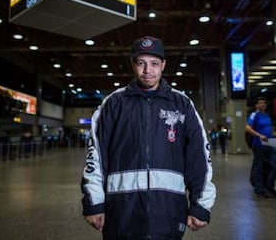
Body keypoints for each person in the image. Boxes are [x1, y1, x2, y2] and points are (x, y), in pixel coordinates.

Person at [81, 36, 217, 239]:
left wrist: (201, 204)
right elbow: (95, 156)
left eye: (154, 64)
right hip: (121, 213)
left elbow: (199, 155)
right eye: (141, 63)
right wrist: (94, 202)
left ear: (163, 65)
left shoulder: (182, 104)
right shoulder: (113, 104)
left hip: (168, 211)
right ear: (133, 65)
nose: (148, 71)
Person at [246, 96, 276, 198]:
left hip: (270, 143)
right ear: (256, 105)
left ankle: (269, 185)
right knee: (259, 167)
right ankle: (259, 188)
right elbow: (248, 128)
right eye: (260, 103)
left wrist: (274, 133)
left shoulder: (266, 115)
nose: (262, 105)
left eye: (264, 103)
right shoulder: (254, 115)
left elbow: (269, 129)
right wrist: (259, 135)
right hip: (259, 144)